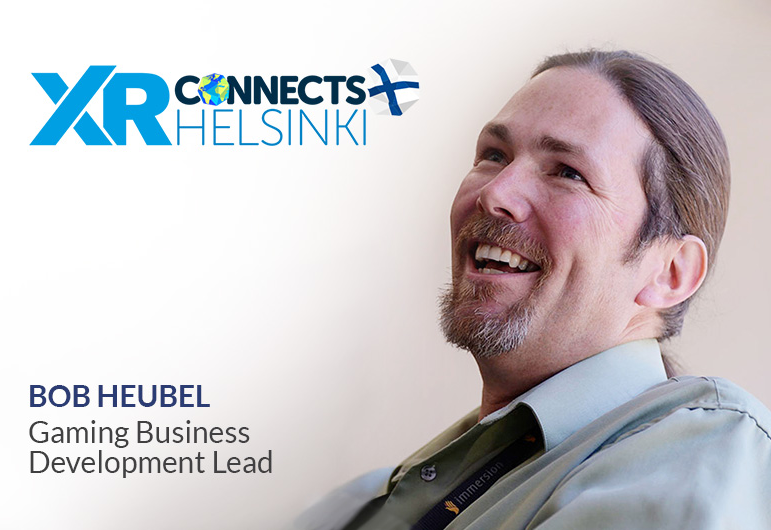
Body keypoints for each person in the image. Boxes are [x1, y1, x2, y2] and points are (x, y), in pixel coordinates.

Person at [293, 49, 771, 530]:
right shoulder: (355, 506)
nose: (494, 193)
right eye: (493, 155)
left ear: (670, 273)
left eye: (567, 172)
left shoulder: (705, 450)